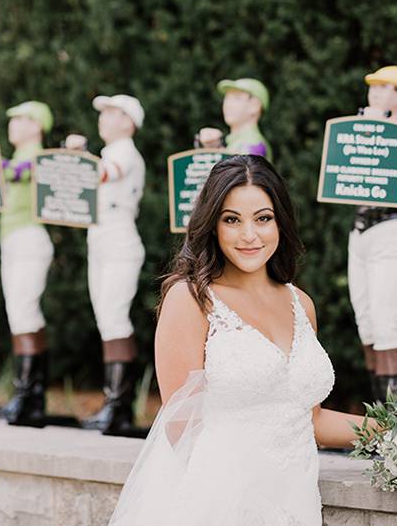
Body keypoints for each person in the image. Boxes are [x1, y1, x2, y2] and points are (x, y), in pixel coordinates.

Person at [110, 155, 374, 525]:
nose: (249, 235)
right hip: (221, 501)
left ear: (280, 220)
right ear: (212, 226)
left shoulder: (301, 304)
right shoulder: (191, 299)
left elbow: (306, 418)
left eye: (263, 218)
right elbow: (181, 429)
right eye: (232, 220)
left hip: (296, 501)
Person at [65, 94, 146, 434]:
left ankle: (119, 406)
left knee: (113, 317)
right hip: (101, 237)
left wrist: (76, 157)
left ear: (129, 122)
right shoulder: (112, 151)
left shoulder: (123, 151)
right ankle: (114, 403)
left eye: (112, 113)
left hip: (117, 237)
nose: (104, 118)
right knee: (107, 319)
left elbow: (101, 174)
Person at [348, 65, 397, 401]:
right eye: (372, 87)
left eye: (383, 87)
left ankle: (392, 422)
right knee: (367, 325)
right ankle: (379, 416)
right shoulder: (360, 135)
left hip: (391, 231)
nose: (374, 93)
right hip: (359, 234)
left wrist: (380, 127)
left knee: (388, 325)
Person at [0, 101, 55, 428]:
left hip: (30, 237)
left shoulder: (36, 157)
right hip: (12, 238)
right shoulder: (18, 156)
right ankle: (27, 393)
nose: (13, 125)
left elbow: (19, 173)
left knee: (25, 310)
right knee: (18, 313)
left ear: (36, 125)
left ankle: (30, 395)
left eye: (20, 119)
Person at [196, 78, 272, 158]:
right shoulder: (237, 143)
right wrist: (214, 148)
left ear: (255, 105)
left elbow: (246, 168)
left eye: (236, 98)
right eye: (227, 98)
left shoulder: (252, 143)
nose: (228, 105)